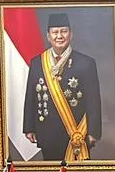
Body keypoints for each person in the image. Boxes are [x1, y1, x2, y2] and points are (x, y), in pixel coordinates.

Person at [22, 13, 103, 162]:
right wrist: (29, 127)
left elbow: (94, 101)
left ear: (71, 34)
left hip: (77, 133)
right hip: (47, 132)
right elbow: (31, 97)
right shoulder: (37, 63)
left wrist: (94, 132)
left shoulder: (86, 63)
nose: (59, 36)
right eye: (55, 32)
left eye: (64, 31)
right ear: (48, 36)